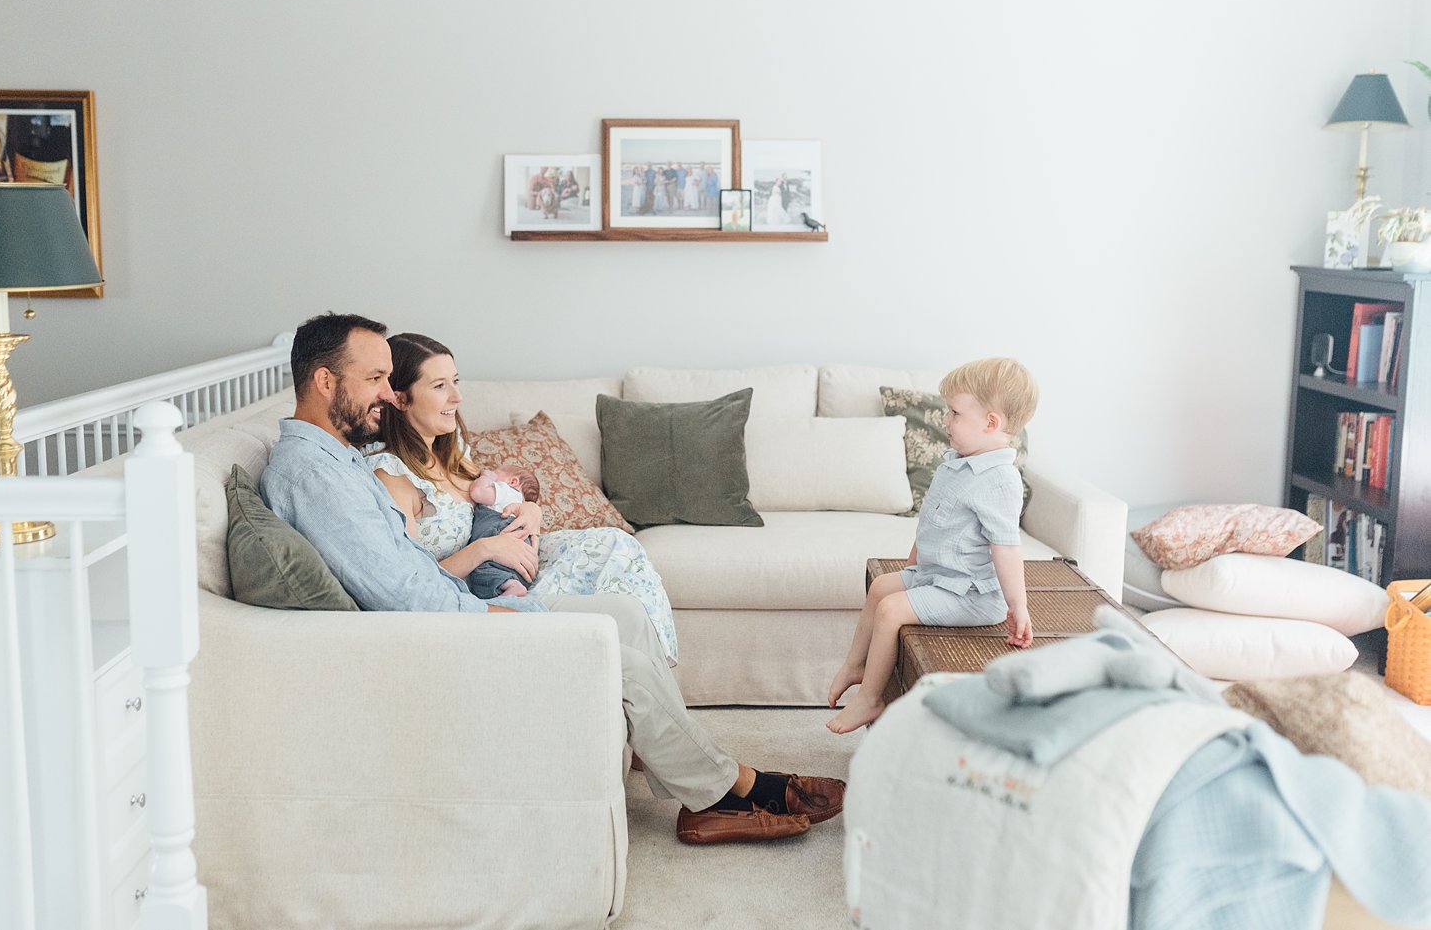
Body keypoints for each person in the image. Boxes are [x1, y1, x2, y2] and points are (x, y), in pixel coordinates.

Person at [260, 313, 845, 844]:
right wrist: (508, 614)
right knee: (625, 662)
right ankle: (730, 789)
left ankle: (690, 789)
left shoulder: (337, 456)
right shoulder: (313, 475)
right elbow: (403, 596)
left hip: (451, 609)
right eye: (376, 379)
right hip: (440, 634)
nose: (389, 395)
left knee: (626, 614)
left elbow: (409, 571)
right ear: (325, 382)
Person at [370, 331, 678, 662]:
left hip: (516, 567)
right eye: (440, 386)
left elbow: (499, 498)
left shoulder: (454, 453)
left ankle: (646, 680)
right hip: (485, 591)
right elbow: (411, 583)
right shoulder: (393, 477)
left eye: (456, 382)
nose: (457, 397)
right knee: (622, 612)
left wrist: (531, 509)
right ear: (400, 399)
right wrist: (485, 549)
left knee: (618, 548)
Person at [826, 357, 1039, 734]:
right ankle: (856, 666)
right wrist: (912, 570)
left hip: (971, 595)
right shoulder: (956, 463)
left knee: (892, 610)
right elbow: (932, 524)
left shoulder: (999, 480)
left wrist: (1017, 607)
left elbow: (1005, 547)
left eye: (955, 413)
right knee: (881, 588)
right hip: (939, 577)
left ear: (991, 423)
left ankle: (870, 699)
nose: (945, 420)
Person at [465, 463, 541, 599]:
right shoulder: (518, 503)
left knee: (481, 571)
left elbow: (478, 492)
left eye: (496, 473)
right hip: (524, 555)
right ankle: (511, 584)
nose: (492, 476)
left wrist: (486, 476)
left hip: (501, 532)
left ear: (513, 481)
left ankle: (510, 586)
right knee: (500, 571)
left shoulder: (505, 491)